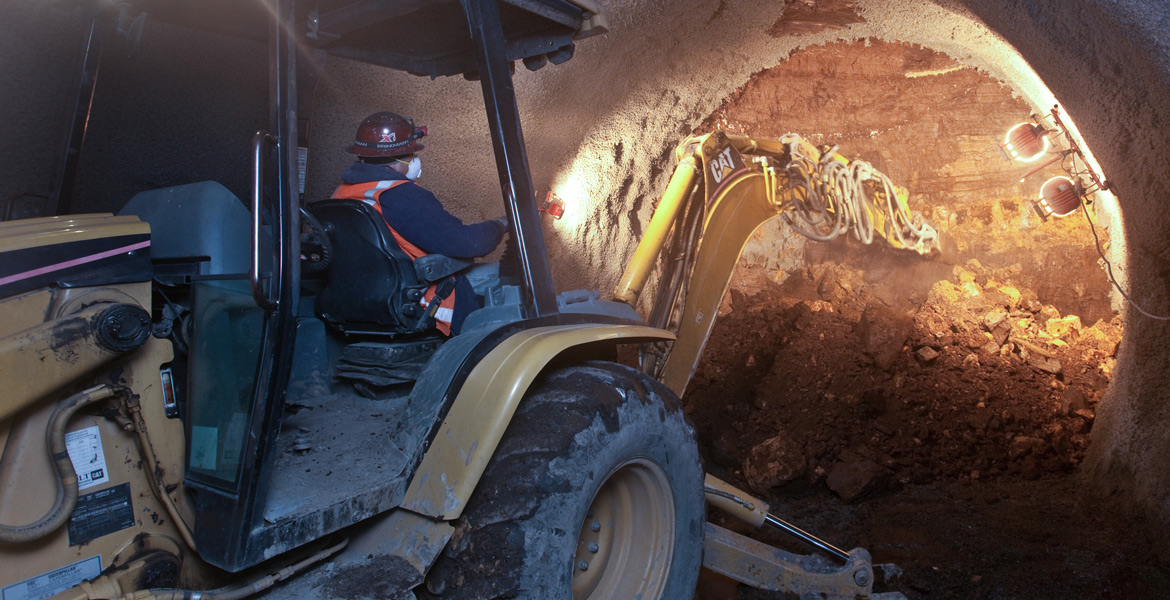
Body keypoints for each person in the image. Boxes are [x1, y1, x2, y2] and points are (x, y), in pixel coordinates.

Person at [331, 111, 507, 335]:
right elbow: (467, 243)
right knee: (509, 275)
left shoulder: (343, 193)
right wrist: (500, 225)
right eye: (411, 154)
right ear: (396, 162)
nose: (414, 160)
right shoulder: (399, 196)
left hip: (364, 302)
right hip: (422, 302)